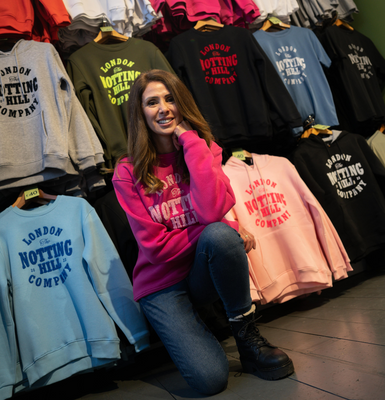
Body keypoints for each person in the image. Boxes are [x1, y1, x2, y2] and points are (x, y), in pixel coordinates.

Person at [112, 69, 294, 395]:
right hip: (161, 283)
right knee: (210, 380)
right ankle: (197, 325)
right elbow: (155, 249)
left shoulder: (206, 149)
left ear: (182, 104)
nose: (164, 108)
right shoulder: (127, 172)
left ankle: (246, 338)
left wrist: (189, 141)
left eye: (170, 99)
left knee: (220, 236)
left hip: (199, 271)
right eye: (152, 102)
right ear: (140, 113)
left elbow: (210, 211)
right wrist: (225, 228)